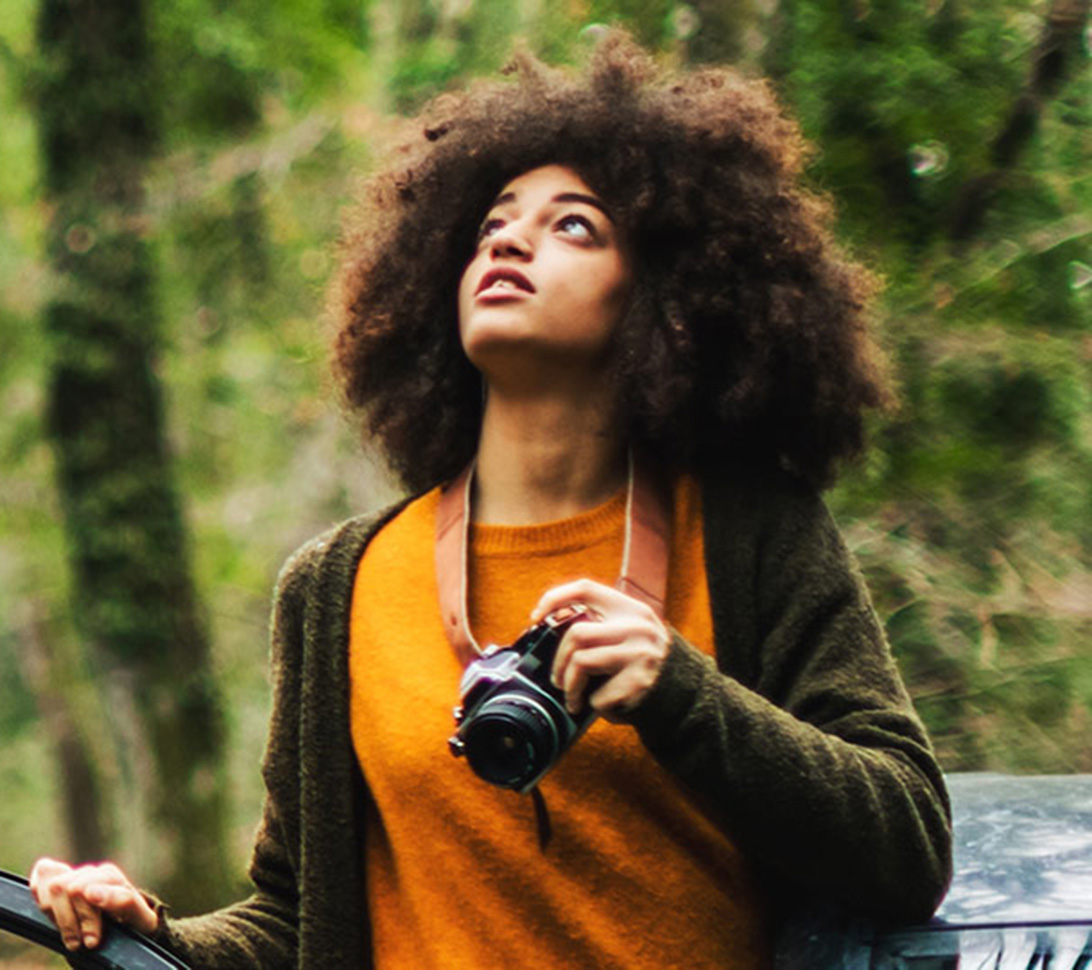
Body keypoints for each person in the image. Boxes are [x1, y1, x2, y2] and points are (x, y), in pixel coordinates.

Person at [31, 31, 952, 968]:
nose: (510, 238)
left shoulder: (751, 532)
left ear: (670, 301)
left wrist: (683, 695)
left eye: (574, 225)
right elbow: (293, 916)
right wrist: (153, 936)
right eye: (492, 225)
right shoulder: (338, 585)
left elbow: (908, 844)